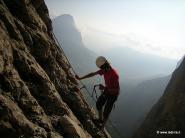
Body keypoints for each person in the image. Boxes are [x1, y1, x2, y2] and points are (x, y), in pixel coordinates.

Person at [75, 56, 120, 129]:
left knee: (106, 111)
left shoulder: (114, 75)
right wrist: (81, 78)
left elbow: (116, 90)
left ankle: (102, 127)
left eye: (101, 68)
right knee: (99, 103)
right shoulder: (105, 70)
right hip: (107, 91)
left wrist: (105, 88)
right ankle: (100, 119)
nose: (100, 70)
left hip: (113, 95)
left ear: (104, 66)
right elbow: (93, 74)